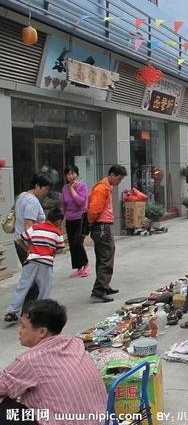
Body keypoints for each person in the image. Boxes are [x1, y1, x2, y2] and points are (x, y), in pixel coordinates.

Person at [0, 300, 107, 424]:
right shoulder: (75, 343)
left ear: (42, 332)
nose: (19, 330)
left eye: (23, 326)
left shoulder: (29, 360)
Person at [5, 208, 65, 323]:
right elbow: (60, 249)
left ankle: (11, 312)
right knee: (44, 289)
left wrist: (28, 250)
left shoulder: (35, 227)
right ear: (58, 221)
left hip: (31, 261)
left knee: (23, 286)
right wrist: (51, 252)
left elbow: (19, 240)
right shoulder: (57, 231)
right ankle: (40, 314)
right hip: (45, 264)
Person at [87, 164, 127, 302]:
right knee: (106, 256)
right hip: (101, 226)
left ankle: (104, 285)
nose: (119, 182)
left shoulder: (106, 187)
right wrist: (92, 222)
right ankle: (99, 290)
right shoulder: (101, 188)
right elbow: (93, 210)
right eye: (119, 179)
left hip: (102, 226)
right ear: (112, 175)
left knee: (105, 255)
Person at [13, 174, 51, 307]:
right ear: (37, 186)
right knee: (35, 281)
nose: (46, 193)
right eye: (45, 189)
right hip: (28, 246)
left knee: (30, 279)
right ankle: (26, 311)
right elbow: (28, 225)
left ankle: (16, 310)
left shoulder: (21, 196)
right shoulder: (32, 201)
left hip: (18, 241)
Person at [61, 165, 90, 278]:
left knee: (78, 242)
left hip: (80, 218)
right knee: (72, 245)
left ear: (77, 174)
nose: (71, 176)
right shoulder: (64, 188)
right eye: (68, 174)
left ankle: (86, 265)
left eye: (73, 173)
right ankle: (79, 268)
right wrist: (61, 220)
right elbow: (63, 205)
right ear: (66, 176)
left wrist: (72, 189)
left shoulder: (82, 186)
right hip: (69, 219)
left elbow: (81, 202)